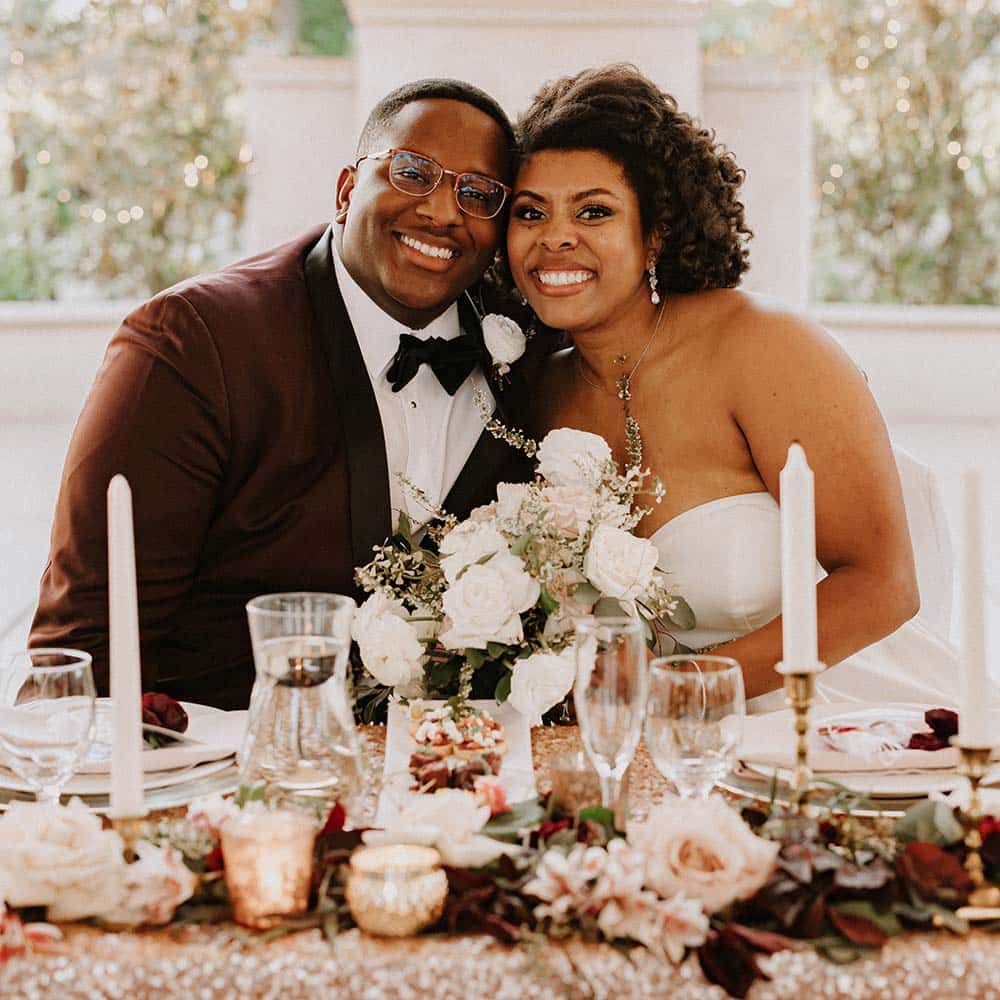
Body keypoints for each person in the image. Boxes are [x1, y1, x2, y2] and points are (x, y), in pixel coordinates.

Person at [30, 79, 545, 710]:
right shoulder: (196, 342)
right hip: (227, 766)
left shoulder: (531, 349)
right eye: (412, 172)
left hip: (465, 766)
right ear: (348, 189)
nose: (442, 211)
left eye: (478, 194)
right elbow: (85, 645)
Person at [506, 64, 959, 710]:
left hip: (836, 718)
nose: (555, 237)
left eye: (594, 211)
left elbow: (884, 585)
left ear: (656, 230)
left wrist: (682, 690)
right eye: (531, 212)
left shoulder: (763, 347)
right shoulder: (535, 393)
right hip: (653, 749)